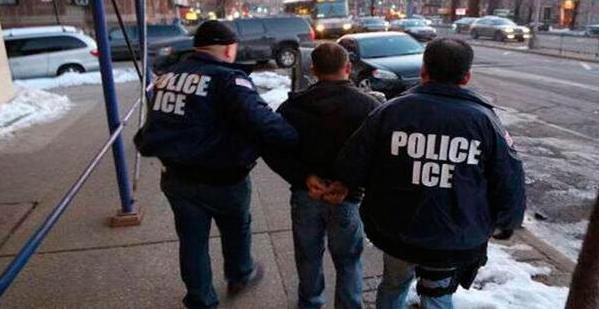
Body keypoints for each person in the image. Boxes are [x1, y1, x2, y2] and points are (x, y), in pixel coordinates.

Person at [334, 38, 526, 309]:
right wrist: (508, 221)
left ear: (424, 72)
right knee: (437, 294)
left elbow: (351, 165)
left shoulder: (390, 112)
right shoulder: (485, 121)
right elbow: (510, 179)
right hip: (453, 237)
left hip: (397, 231)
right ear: (467, 77)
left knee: (393, 282)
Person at [134, 20, 298, 309]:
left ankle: (200, 299)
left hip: (176, 178)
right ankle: (239, 274)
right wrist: (295, 138)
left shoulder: (167, 76)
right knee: (237, 228)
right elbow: (264, 122)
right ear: (227, 49)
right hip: (223, 179)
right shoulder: (227, 79)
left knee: (192, 241)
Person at [264, 42, 381, 309]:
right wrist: (349, 182)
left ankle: (310, 303)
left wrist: (304, 176)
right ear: (348, 68)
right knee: (349, 261)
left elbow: (272, 147)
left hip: (306, 194)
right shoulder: (369, 107)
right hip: (346, 199)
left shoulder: (293, 106)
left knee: (307, 257)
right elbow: (377, 158)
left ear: (314, 69)